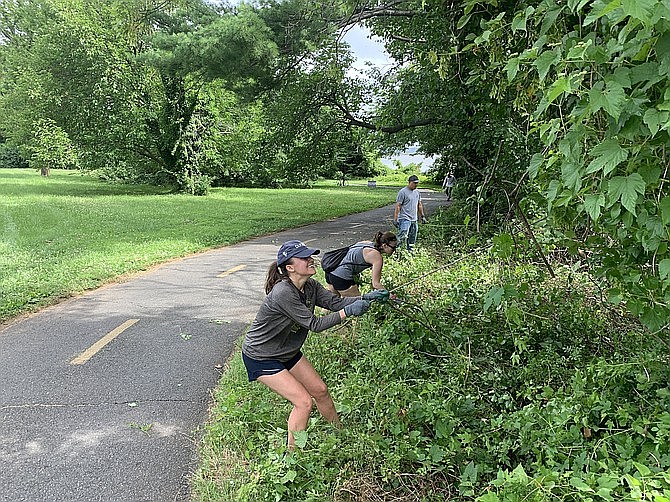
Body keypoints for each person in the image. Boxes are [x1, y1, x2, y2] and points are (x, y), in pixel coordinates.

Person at [241, 240, 388, 449]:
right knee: (303, 402)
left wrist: (366, 298)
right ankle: (291, 459)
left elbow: (334, 303)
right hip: (261, 355)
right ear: (289, 267)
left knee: (320, 390)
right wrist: (348, 312)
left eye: (310, 256)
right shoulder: (284, 292)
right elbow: (315, 324)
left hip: (286, 351)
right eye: (304, 257)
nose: (311, 260)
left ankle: (340, 436)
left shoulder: (310, 286)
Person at [324, 231, 398, 297]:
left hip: (331, 270)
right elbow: (375, 284)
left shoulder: (366, 243)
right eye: (393, 247)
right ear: (384, 245)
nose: (394, 250)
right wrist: (389, 295)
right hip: (341, 275)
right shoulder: (377, 257)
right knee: (357, 304)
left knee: (333, 302)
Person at [393, 174, 427, 251]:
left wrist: (422, 216)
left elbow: (419, 205)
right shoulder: (402, 192)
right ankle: (397, 252)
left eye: (417, 183)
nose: (416, 185)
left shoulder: (417, 192)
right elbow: (398, 206)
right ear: (409, 182)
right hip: (405, 218)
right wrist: (395, 219)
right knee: (402, 236)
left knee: (412, 237)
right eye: (414, 183)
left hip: (414, 219)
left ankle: (410, 252)